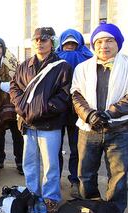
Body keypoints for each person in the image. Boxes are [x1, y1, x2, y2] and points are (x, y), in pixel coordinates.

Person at [10, 27, 72, 213]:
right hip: (28, 124)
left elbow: (64, 95)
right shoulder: (23, 65)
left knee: (50, 164)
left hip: (49, 124)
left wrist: (41, 110)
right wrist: (21, 109)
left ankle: (51, 197)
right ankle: (32, 193)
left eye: (44, 39)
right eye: (36, 38)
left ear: (51, 42)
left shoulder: (62, 66)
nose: (39, 42)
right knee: (29, 162)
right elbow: (14, 88)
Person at [71, 23, 128, 213]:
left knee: (118, 176)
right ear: (93, 45)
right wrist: (90, 115)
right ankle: (91, 211)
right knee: (85, 175)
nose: (104, 45)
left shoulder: (127, 65)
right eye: (99, 41)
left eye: (109, 40)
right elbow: (76, 94)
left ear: (118, 43)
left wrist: (109, 113)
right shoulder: (82, 68)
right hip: (88, 131)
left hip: (119, 130)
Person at [56, 29, 93, 197]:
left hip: (77, 111)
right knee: (54, 148)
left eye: (73, 44)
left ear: (79, 44)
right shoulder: (54, 59)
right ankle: (54, 179)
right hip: (56, 110)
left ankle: (75, 181)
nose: (70, 47)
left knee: (76, 148)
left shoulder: (89, 59)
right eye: (66, 44)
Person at [0, 37, 24, 175]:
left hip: (14, 103)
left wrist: (1, 85)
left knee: (17, 134)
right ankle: (0, 160)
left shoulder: (12, 62)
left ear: (3, 48)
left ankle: (20, 162)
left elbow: (19, 81)